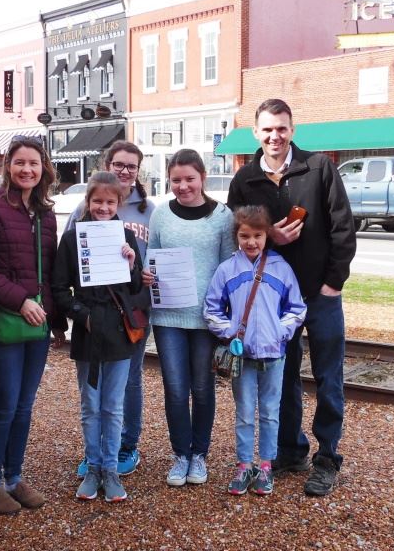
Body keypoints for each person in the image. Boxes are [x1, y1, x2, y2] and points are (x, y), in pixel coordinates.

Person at [227, 98, 356, 497]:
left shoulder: (318, 168)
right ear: (255, 132)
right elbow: (240, 240)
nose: (274, 136)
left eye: (281, 128)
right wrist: (272, 243)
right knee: (281, 379)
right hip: (273, 302)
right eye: (267, 129)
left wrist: (333, 284)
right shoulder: (245, 180)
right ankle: (291, 449)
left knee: (327, 377)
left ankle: (327, 457)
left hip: (319, 295)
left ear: (292, 129)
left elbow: (343, 229)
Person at [0, 136, 66, 515]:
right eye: (20, 162)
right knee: (4, 405)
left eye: (34, 163)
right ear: (8, 166)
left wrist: (55, 320)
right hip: (0, 322)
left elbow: (49, 271)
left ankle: (14, 477)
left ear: (44, 169)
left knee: (24, 406)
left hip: (36, 326)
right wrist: (19, 300)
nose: (27, 169)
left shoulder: (45, 213)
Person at [53, 171, 148, 503]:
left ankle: (110, 468)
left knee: (113, 405)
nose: (103, 207)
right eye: (97, 201)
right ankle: (93, 467)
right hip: (88, 329)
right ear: (88, 201)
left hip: (120, 331)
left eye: (110, 202)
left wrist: (133, 263)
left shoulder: (125, 236)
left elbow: (135, 289)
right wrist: (82, 315)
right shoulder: (72, 238)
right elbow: (59, 288)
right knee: (90, 405)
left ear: (118, 202)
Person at [203, 205, 306, 496]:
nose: (251, 242)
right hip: (242, 356)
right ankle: (243, 464)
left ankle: (265, 466)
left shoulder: (281, 267)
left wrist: (280, 332)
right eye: (245, 235)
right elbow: (211, 309)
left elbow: (296, 309)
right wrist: (228, 333)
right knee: (245, 412)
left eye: (258, 235)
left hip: (274, 354)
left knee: (271, 412)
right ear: (236, 235)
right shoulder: (227, 269)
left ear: (266, 236)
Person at [147, 149, 235, 487]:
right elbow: (150, 258)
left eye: (189, 179)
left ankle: (200, 453)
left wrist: (226, 317)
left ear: (203, 178)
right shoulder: (161, 215)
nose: (183, 186)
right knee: (174, 388)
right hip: (168, 315)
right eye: (176, 180)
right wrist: (147, 276)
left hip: (206, 318)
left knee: (202, 388)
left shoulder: (222, 217)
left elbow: (229, 267)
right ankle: (180, 453)